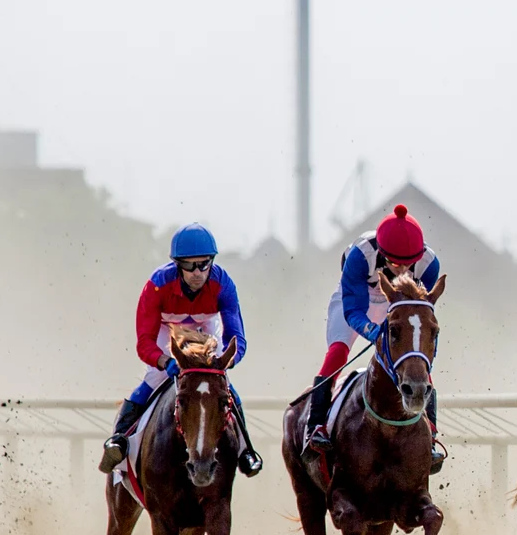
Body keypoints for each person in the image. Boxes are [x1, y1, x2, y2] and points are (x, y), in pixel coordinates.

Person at [97, 223, 262, 477]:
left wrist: (225, 363)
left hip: (205, 325)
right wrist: (164, 361)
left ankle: (245, 450)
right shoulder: (157, 285)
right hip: (167, 327)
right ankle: (118, 441)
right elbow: (145, 343)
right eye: (189, 265)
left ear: (212, 262)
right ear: (177, 264)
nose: (197, 273)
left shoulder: (224, 284)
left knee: (220, 383)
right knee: (154, 378)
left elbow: (236, 337)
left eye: (204, 264)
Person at [303, 204, 445, 473]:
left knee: (416, 359)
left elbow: (421, 313)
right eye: (394, 262)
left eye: (408, 263)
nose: (402, 268)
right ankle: (316, 426)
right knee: (337, 353)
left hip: (400, 308)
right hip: (358, 303)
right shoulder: (360, 256)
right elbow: (353, 310)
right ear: (381, 252)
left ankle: (431, 434)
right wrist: (371, 330)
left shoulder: (429, 264)